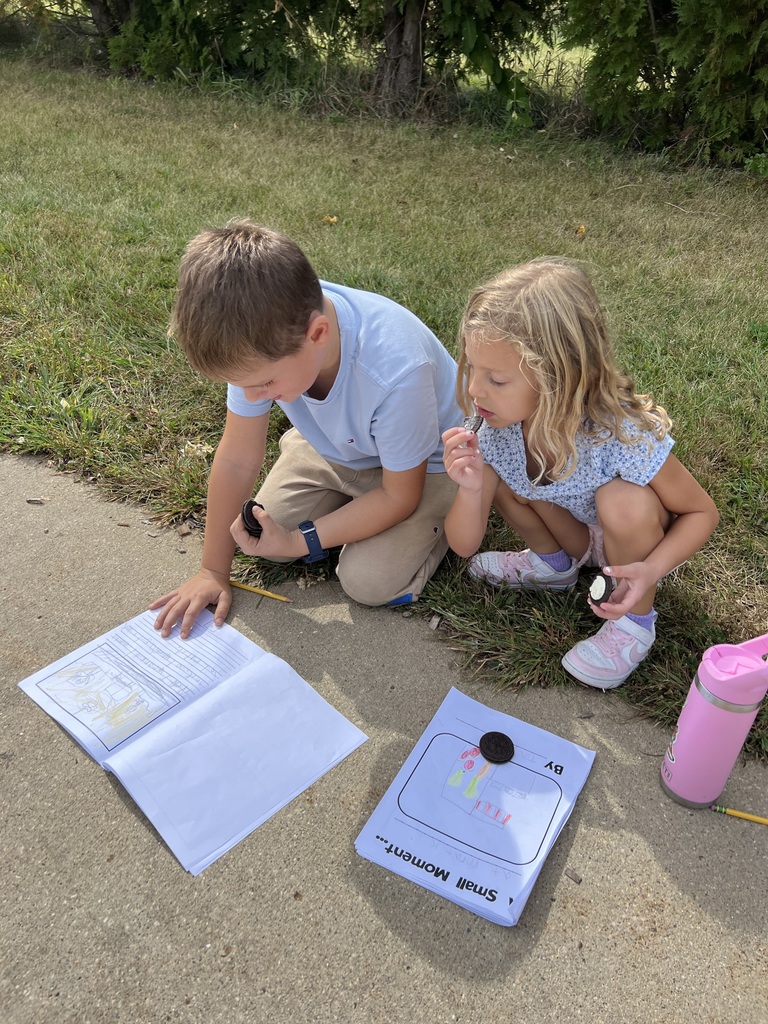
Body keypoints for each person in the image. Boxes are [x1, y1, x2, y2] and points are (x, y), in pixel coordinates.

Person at [151, 220, 461, 638]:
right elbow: (238, 459)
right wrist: (212, 571)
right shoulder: (259, 340)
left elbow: (398, 495)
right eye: (243, 385)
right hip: (336, 445)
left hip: (430, 465)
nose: (253, 397)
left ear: (318, 334)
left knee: (367, 581)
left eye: (265, 385)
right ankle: (333, 491)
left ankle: (442, 522)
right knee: (262, 538)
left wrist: (302, 541)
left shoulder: (394, 370)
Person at [441, 258, 719, 689]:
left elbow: (702, 513)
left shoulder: (620, 433)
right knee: (506, 478)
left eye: (495, 379)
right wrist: (469, 488)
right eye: (471, 368)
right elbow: (463, 545)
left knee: (621, 501)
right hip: (575, 531)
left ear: (558, 377)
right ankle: (553, 565)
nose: (475, 390)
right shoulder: (494, 424)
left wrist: (651, 569)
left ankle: (635, 623)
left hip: (631, 545)